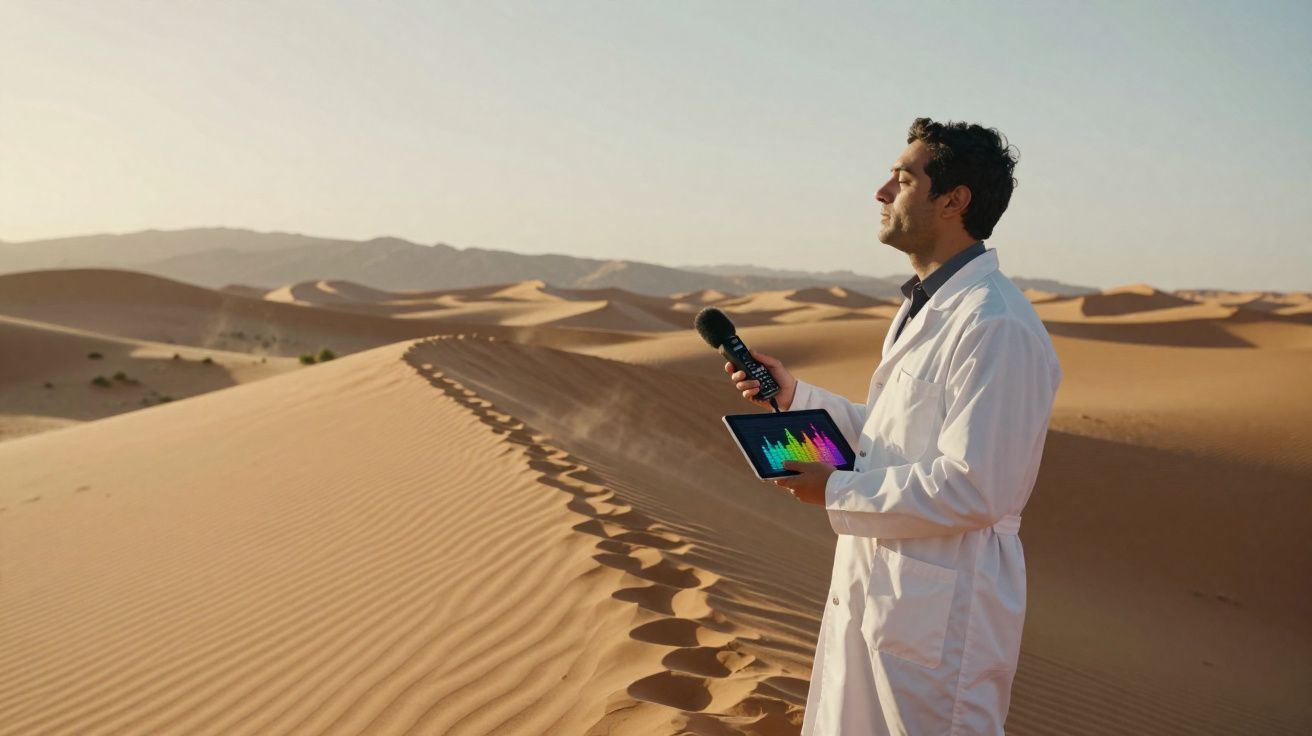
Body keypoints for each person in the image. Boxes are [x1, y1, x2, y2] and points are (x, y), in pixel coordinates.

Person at [725, 117, 1061, 734]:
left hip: (942, 615)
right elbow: (892, 440)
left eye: (903, 179)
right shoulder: (926, 304)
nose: (881, 193)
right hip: (885, 593)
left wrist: (834, 488)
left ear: (954, 201)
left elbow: (978, 485)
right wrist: (795, 395)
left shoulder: (996, 325)